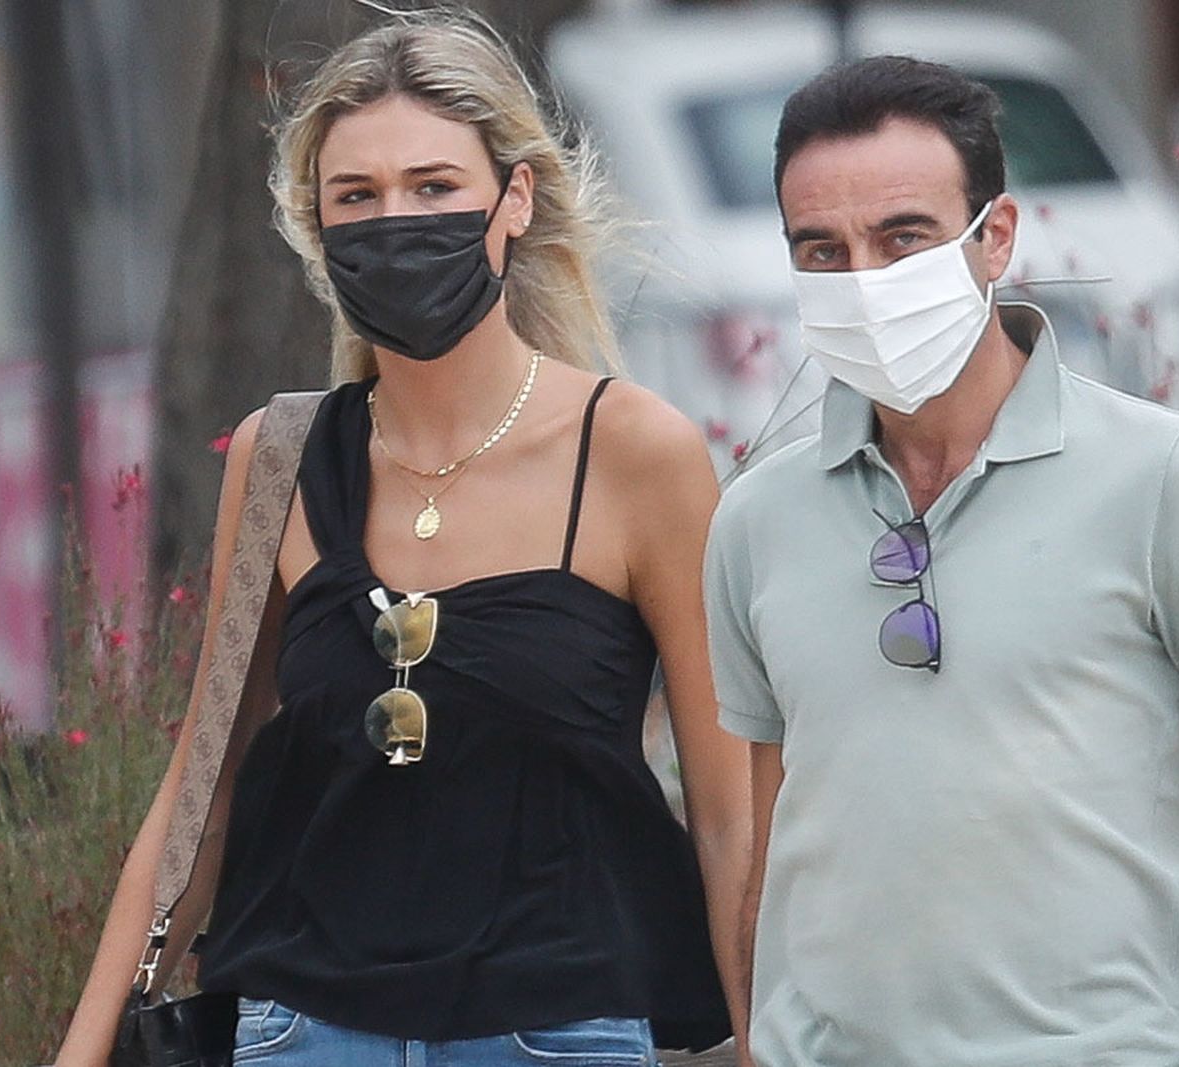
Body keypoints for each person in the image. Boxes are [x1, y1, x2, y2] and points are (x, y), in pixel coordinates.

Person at [56, 14, 750, 1066]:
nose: (396, 223)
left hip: (556, 1032)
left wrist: (761, 1037)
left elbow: (727, 816)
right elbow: (206, 782)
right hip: (300, 1029)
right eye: (357, 197)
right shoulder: (280, 456)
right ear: (317, 227)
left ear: (512, 201)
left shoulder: (635, 451)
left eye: (433, 188)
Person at [705, 56, 1179, 1067]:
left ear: (995, 238)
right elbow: (774, 857)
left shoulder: (1171, 475)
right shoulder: (754, 517)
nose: (861, 280)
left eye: (902, 236)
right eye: (820, 249)